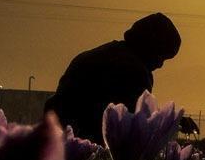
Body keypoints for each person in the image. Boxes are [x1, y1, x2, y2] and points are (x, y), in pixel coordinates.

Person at [45, 13, 193, 140]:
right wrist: (173, 122)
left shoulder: (99, 54)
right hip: (89, 143)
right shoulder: (134, 71)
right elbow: (139, 121)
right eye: (161, 56)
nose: (160, 64)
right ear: (150, 47)